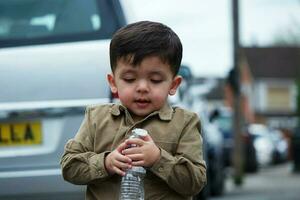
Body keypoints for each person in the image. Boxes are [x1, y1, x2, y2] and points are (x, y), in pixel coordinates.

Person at [60, 21, 206, 200]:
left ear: (173, 85)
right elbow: (69, 167)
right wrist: (105, 162)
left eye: (155, 80)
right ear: (113, 82)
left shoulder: (184, 123)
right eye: (130, 79)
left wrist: (158, 159)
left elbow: (196, 181)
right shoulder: (96, 118)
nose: (142, 87)